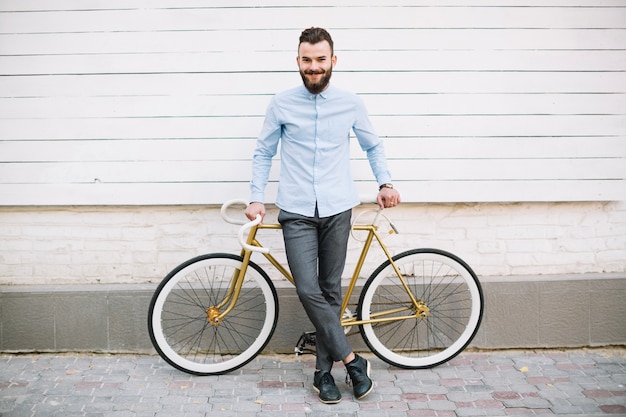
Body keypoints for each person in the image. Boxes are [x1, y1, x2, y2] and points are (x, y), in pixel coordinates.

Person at [244, 27, 401, 404]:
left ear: (333, 60)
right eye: (307, 60)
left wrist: (385, 183)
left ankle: (322, 374)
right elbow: (263, 152)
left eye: (320, 60)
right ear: (297, 61)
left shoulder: (350, 103)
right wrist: (255, 197)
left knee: (330, 291)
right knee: (307, 288)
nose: (314, 67)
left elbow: (373, 146)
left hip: (337, 209)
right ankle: (352, 360)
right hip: (296, 210)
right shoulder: (281, 103)